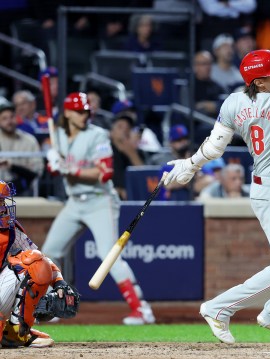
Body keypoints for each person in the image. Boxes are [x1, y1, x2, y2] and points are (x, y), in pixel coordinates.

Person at [164, 49, 270, 343]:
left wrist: (190, 165)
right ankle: (219, 308)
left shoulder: (234, 101)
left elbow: (215, 147)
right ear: (258, 81)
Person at [42, 92, 155, 325]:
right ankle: (54, 306)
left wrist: (68, 170)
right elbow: (51, 156)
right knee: (49, 253)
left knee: (108, 255)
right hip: (74, 202)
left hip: (99, 201)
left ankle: (141, 310)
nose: (85, 115)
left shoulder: (98, 135)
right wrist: (50, 156)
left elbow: (105, 173)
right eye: (79, 112)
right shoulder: (58, 135)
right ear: (68, 113)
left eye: (87, 112)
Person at [0, 181, 69, 348]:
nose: (3, 207)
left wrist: (58, 281)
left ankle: (16, 331)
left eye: (3, 202)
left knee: (35, 262)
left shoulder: (10, 230)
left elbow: (40, 258)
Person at [0, 102, 44, 196]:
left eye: (11, 117)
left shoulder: (29, 140)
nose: (9, 121)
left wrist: (13, 166)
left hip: (22, 188)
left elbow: (38, 169)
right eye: (4, 118)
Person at [109, 114, 146, 200]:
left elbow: (144, 177)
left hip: (134, 198)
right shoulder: (105, 151)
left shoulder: (137, 152)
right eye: (120, 127)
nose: (124, 131)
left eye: (128, 128)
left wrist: (131, 153)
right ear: (111, 132)